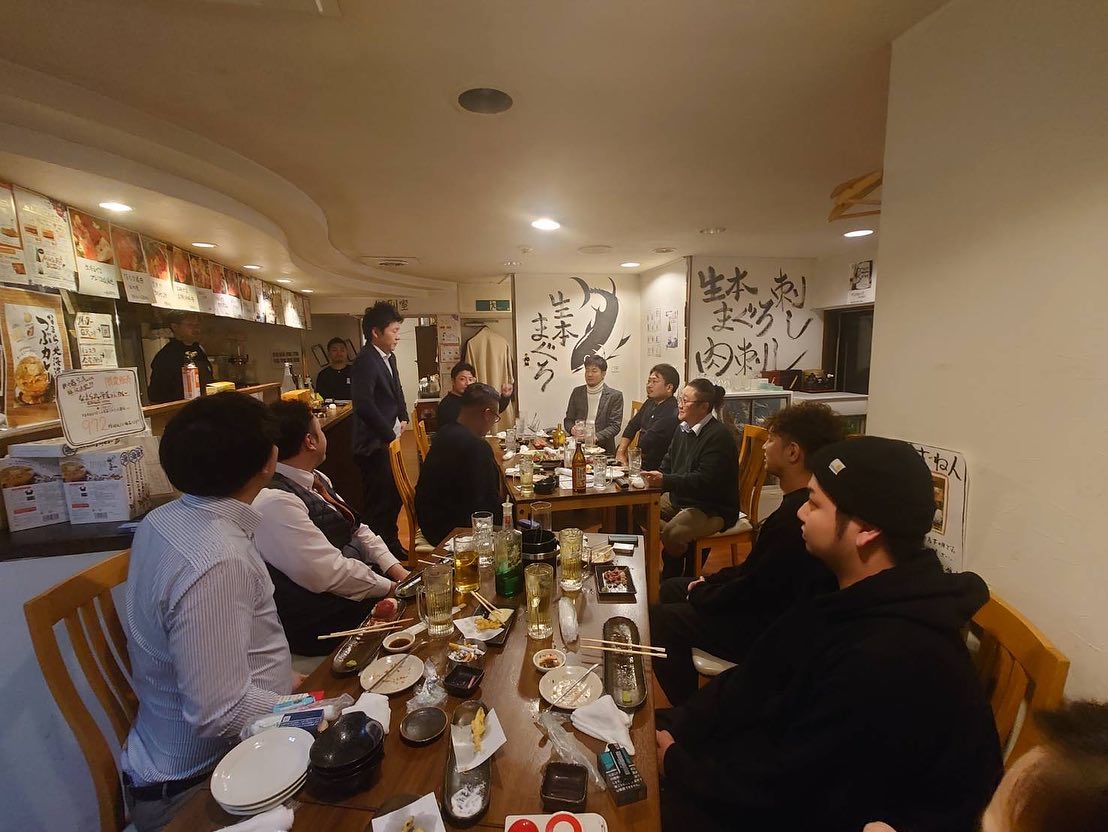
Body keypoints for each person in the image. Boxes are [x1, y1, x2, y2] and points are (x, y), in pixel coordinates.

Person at [656, 436, 1003, 832]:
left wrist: (680, 767)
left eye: (815, 503)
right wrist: (678, 724)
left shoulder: (890, 656)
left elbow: (793, 791)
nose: (800, 512)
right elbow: (756, 677)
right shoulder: (842, 589)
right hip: (773, 767)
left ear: (867, 529)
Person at [121, 393, 293, 832]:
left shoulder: (164, 518)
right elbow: (219, 712)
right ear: (268, 462)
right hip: (199, 787)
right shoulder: (217, 559)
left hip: (211, 754)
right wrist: (310, 708)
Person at [649, 401, 844, 704]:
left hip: (769, 628)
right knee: (673, 587)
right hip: (765, 601)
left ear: (793, 452)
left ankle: (689, 709)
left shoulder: (796, 517)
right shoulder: (799, 505)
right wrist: (708, 582)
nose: (764, 447)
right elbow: (755, 570)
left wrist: (703, 592)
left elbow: (754, 588)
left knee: (659, 619)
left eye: (771, 439)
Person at [253, 400, 411, 655]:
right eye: (320, 429)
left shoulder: (316, 478)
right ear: (310, 441)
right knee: (418, 621)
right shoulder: (274, 501)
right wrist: (390, 588)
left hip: (354, 588)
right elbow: (329, 574)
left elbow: (357, 528)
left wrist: (397, 571)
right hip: (322, 618)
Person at [641, 379, 739, 579]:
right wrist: (652, 482)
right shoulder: (683, 429)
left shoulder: (718, 436)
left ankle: (678, 575)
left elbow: (704, 481)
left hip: (711, 506)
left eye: (685, 401)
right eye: (680, 399)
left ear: (704, 407)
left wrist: (665, 481)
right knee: (638, 507)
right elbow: (668, 462)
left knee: (673, 534)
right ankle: (684, 553)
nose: (680, 404)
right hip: (682, 497)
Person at [350, 301, 408, 559]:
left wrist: (403, 415)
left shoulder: (388, 357)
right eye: (394, 331)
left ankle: (391, 544)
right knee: (379, 502)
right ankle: (377, 557)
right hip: (373, 444)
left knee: (394, 497)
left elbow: (397, 390)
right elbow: (364, 405)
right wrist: (389, 435)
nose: (397, 336)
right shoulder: (365, 360)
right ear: (376, 332)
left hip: (389, 439)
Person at [415, 383, 503, 545]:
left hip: (430, 520)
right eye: (495, 417)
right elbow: (487, 504)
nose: (493, 423)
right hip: (450, 531)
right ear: (487, 414)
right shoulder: (476, 447)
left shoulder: (445, 432)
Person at [615, 363, 680, 471]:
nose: (649, 385)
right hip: (639, 460)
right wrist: (620, 452)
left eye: (654, 382)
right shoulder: (650, 402)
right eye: (649, 381)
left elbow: (650, 439)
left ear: (669, 387)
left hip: (656, 468)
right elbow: (633, 425)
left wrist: (629, 461)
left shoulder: (672, 410)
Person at [563, 355, 624, 454]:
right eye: (587, 370)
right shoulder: (577, 392)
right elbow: (568, 420)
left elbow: (615, 426)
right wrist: (572, 429)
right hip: (578, 446)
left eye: (594, 371)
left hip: (602, 448)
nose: (589, 374)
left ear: (603, 374)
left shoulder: (614, 396)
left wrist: (595, 437)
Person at [147, 312, 214, 403]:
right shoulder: (166, 356)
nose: (196, 329)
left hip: (205, 405)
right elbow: (156, 395)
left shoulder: (199, 350)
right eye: (190, 325)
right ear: (175, 327)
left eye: (197, 325)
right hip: (182, 409)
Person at [436, 361, 513, 428]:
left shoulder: (471, 398)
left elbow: (493, 410)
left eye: (470, 379)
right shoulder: (447, 404)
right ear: (453, 381)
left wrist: (505, 396)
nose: (467, 383)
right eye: (462, 379)